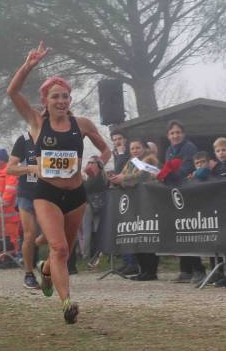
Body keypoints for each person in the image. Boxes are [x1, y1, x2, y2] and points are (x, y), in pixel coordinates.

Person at [7, 41, 111, 324]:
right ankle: (67, 303)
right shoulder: (37, 123)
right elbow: (13, 92)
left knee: (66, 248)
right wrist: (27, 66)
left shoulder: (83, 125)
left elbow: (106, 149)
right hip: (46, 194)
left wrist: (97, 162)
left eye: (65, 96)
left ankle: (46, 269)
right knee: (60, 248)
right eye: (55, 97)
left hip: (76, 194)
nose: (61, 101)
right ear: (45, 101)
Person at [156, 120, 206, 284]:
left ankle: (198, 269)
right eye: (172, 133)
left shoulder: (189, 147)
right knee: (179, 231)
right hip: (175, 193)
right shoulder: (169, 150)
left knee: (190, 230)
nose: (175, 135)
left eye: (178, 132)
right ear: (168, 136)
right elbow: (167, 169)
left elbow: (185, 169)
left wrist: (167, 175)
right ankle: (185, 270)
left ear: (183, 134)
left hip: (189, 192)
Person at [111, 139, 160, 281]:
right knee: (137, 236)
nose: (135, 151)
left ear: (144, 148)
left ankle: (151, 271)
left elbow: (143, 176)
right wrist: (116, 179)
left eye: (138, 147)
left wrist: (122, 178)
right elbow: (123, 176)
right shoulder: (130, 162)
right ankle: (142, 269)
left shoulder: (150, 160)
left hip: (148, 202)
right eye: (132, 148)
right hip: (134, 203)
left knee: (147, 236)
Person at [7, 132, 41, 289]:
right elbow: (10, 168)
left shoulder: (54, 137)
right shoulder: (24, 140)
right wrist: (29, 168)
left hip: (48, 193)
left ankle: (43, 262)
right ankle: (29, 274)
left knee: (53, 233)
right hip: (26, 193)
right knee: (29, 234)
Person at [79, 156, 109, 266]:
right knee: (95, 230)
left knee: (87, 230)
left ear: (99, 165)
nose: (89, 164)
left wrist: (83, 175)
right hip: (98, 205)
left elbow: (86, 188)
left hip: (90, 205)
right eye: (89, 162)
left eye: (92, 162)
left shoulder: (98, 177)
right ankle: (96, 253)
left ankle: (85, 254)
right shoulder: (102, 176)